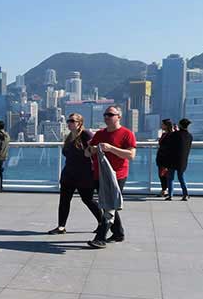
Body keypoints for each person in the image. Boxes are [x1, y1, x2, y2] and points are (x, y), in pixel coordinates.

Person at [86, 106, 137, 248]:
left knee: (108, 205)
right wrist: (93, 149)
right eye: (105, 114)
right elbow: (87, 153)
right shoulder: (99, 134)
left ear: (119, 116)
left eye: (110, 114)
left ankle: (100, 237)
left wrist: (111, 148)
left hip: (117, 175)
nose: (106, 117)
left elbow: (131, 155)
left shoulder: (127, 134)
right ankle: (118, 233)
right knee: (109, 203)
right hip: (99, 174)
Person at [49, 113, 101, 234]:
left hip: (84, 174)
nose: (69, 123)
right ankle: (61, 226)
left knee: (88, 199)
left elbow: (94, 149)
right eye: (68, 121)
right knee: (64, 200)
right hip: (68, 174)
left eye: (72, 121)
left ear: (79, 123)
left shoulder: (86, 134)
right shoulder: (69, 137)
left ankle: (102, 221)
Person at [167, 118, 193, 201]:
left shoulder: (175, 134)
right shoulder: (189, 136)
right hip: (183, 159)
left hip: (172, 158)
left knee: (170, 177)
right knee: (181, 177)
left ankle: (170, 195)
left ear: (180, 125)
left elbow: (170, 142)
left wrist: (174, 131)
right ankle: (185, 194)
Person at [156, 119, 176, 197]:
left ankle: (165, 190)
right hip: (161, 157)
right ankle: (164, 189)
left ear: (166, 125)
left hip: (166, 158)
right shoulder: (164, 134)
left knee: (164, 174)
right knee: (161, 174)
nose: (161, 126)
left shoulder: (171, 135)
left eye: (163, 124)